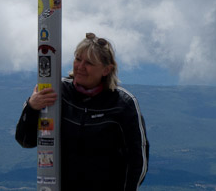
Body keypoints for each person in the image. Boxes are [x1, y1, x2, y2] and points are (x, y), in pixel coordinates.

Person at [16, 33, 149, 190]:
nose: (80, 67)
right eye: (78, 59)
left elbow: (138, 160)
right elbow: (25, 140)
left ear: (106, 70)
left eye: (89, 63)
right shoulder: (56, 91)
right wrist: (32, 107)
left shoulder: (123, 103)